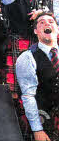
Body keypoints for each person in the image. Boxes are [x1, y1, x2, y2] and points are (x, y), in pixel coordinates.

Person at [16, 13, 59, 141]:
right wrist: (37, 129)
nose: (47, 24)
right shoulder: (27, 57)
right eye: (41, 22)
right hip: (46, 121)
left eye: (51, 21)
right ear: (35, 31)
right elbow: (28, 96)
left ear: (57, 28)